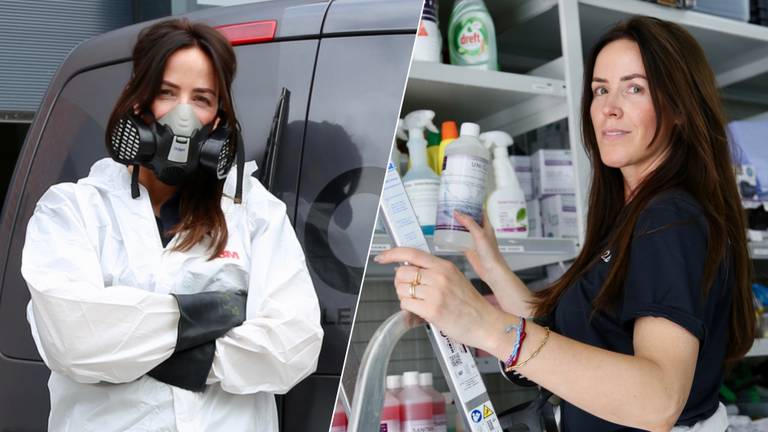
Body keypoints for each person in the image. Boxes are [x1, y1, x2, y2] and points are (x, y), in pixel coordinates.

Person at [376, 16, 755, 431]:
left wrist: (486, 326)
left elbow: (658, 400)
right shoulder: (631, 218)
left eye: (634, 88)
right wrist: (490, 265)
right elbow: (576, 341)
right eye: (599, 89)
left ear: (681, 108)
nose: (609, 107)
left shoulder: (670, 219)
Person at [22, 18, 323, 431]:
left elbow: (294, 346)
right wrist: (221, 313)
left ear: (218, 120)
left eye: (201, 98)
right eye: (167, 93)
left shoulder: (252, 211)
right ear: (138, 103)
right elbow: (75, 339)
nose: (184, 116)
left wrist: (132, 340)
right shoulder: (72, 211)